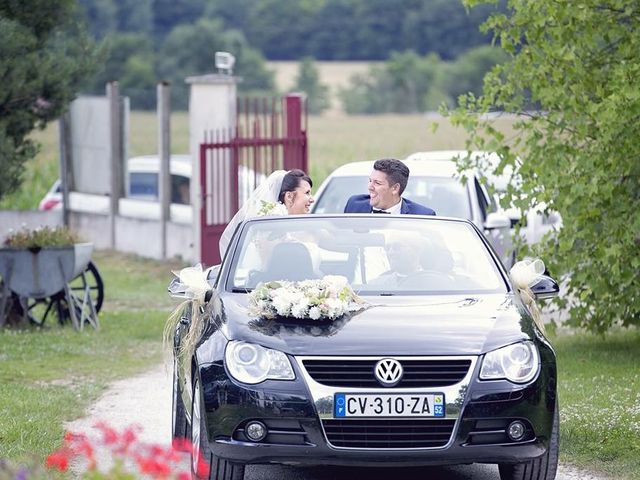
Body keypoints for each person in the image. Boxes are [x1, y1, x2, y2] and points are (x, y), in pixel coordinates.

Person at [219, 169, 314, 259]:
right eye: (307, 193)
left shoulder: (290, 221)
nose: (312, 199)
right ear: (289, 196)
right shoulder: (273, 222)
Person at [344, 158, 435, 215]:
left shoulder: (423, 216)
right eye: (370, 181)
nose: (370, 187)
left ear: (395, 188)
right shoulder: (354, 205)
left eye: (377, 183)